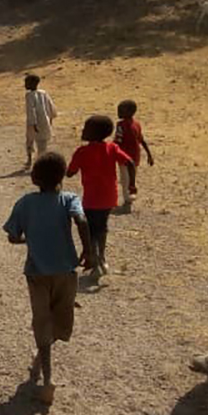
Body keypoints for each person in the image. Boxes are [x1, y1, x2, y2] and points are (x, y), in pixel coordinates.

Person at [3, 152, 95, 406]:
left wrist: (26, 239)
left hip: (37, 274)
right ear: (62, 177)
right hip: (66, 271)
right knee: (60, 319)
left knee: (41, 320)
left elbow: (12, 236)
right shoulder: (69, 199)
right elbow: (81, 220)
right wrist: (88, 251)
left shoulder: (25, 203)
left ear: (33, 178)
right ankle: (43, 357)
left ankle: (47, 378)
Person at [66, 115, 135, 279]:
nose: (82, 131)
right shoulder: (112, 148)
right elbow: (130, 163)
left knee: (90, 230)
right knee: (102, 227)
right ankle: (102, 258)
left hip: (91, 200)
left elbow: (70, 173)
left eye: (85, 128)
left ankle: (95, 261)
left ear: (93, 133)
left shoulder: (82, 152)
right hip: (109, 198)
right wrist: (132, 184)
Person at [114, 100, 154, 212]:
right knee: (131, 177)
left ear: (128, 112)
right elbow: (142, 140)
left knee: (124, 178)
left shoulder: (120, 125)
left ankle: (127, 202)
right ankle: (131, 196)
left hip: (123, 156)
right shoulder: (136, 124)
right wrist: (149, 154)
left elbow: (118, 140)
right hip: (135, 155)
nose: (118, 112)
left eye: (120, 110)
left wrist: (110, 151)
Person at [24, 74, 58, 169]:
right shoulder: (43, 93)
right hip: (45, 121)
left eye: (26, 83)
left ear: (32, 84)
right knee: (42, 144)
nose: (25, 85)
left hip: (34, 123)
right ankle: (40, 162)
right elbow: (51, 106)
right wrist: (51, 117)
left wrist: (33, 123)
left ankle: (31, 161)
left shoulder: (29, 95)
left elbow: (31, 110)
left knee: (30, 141)